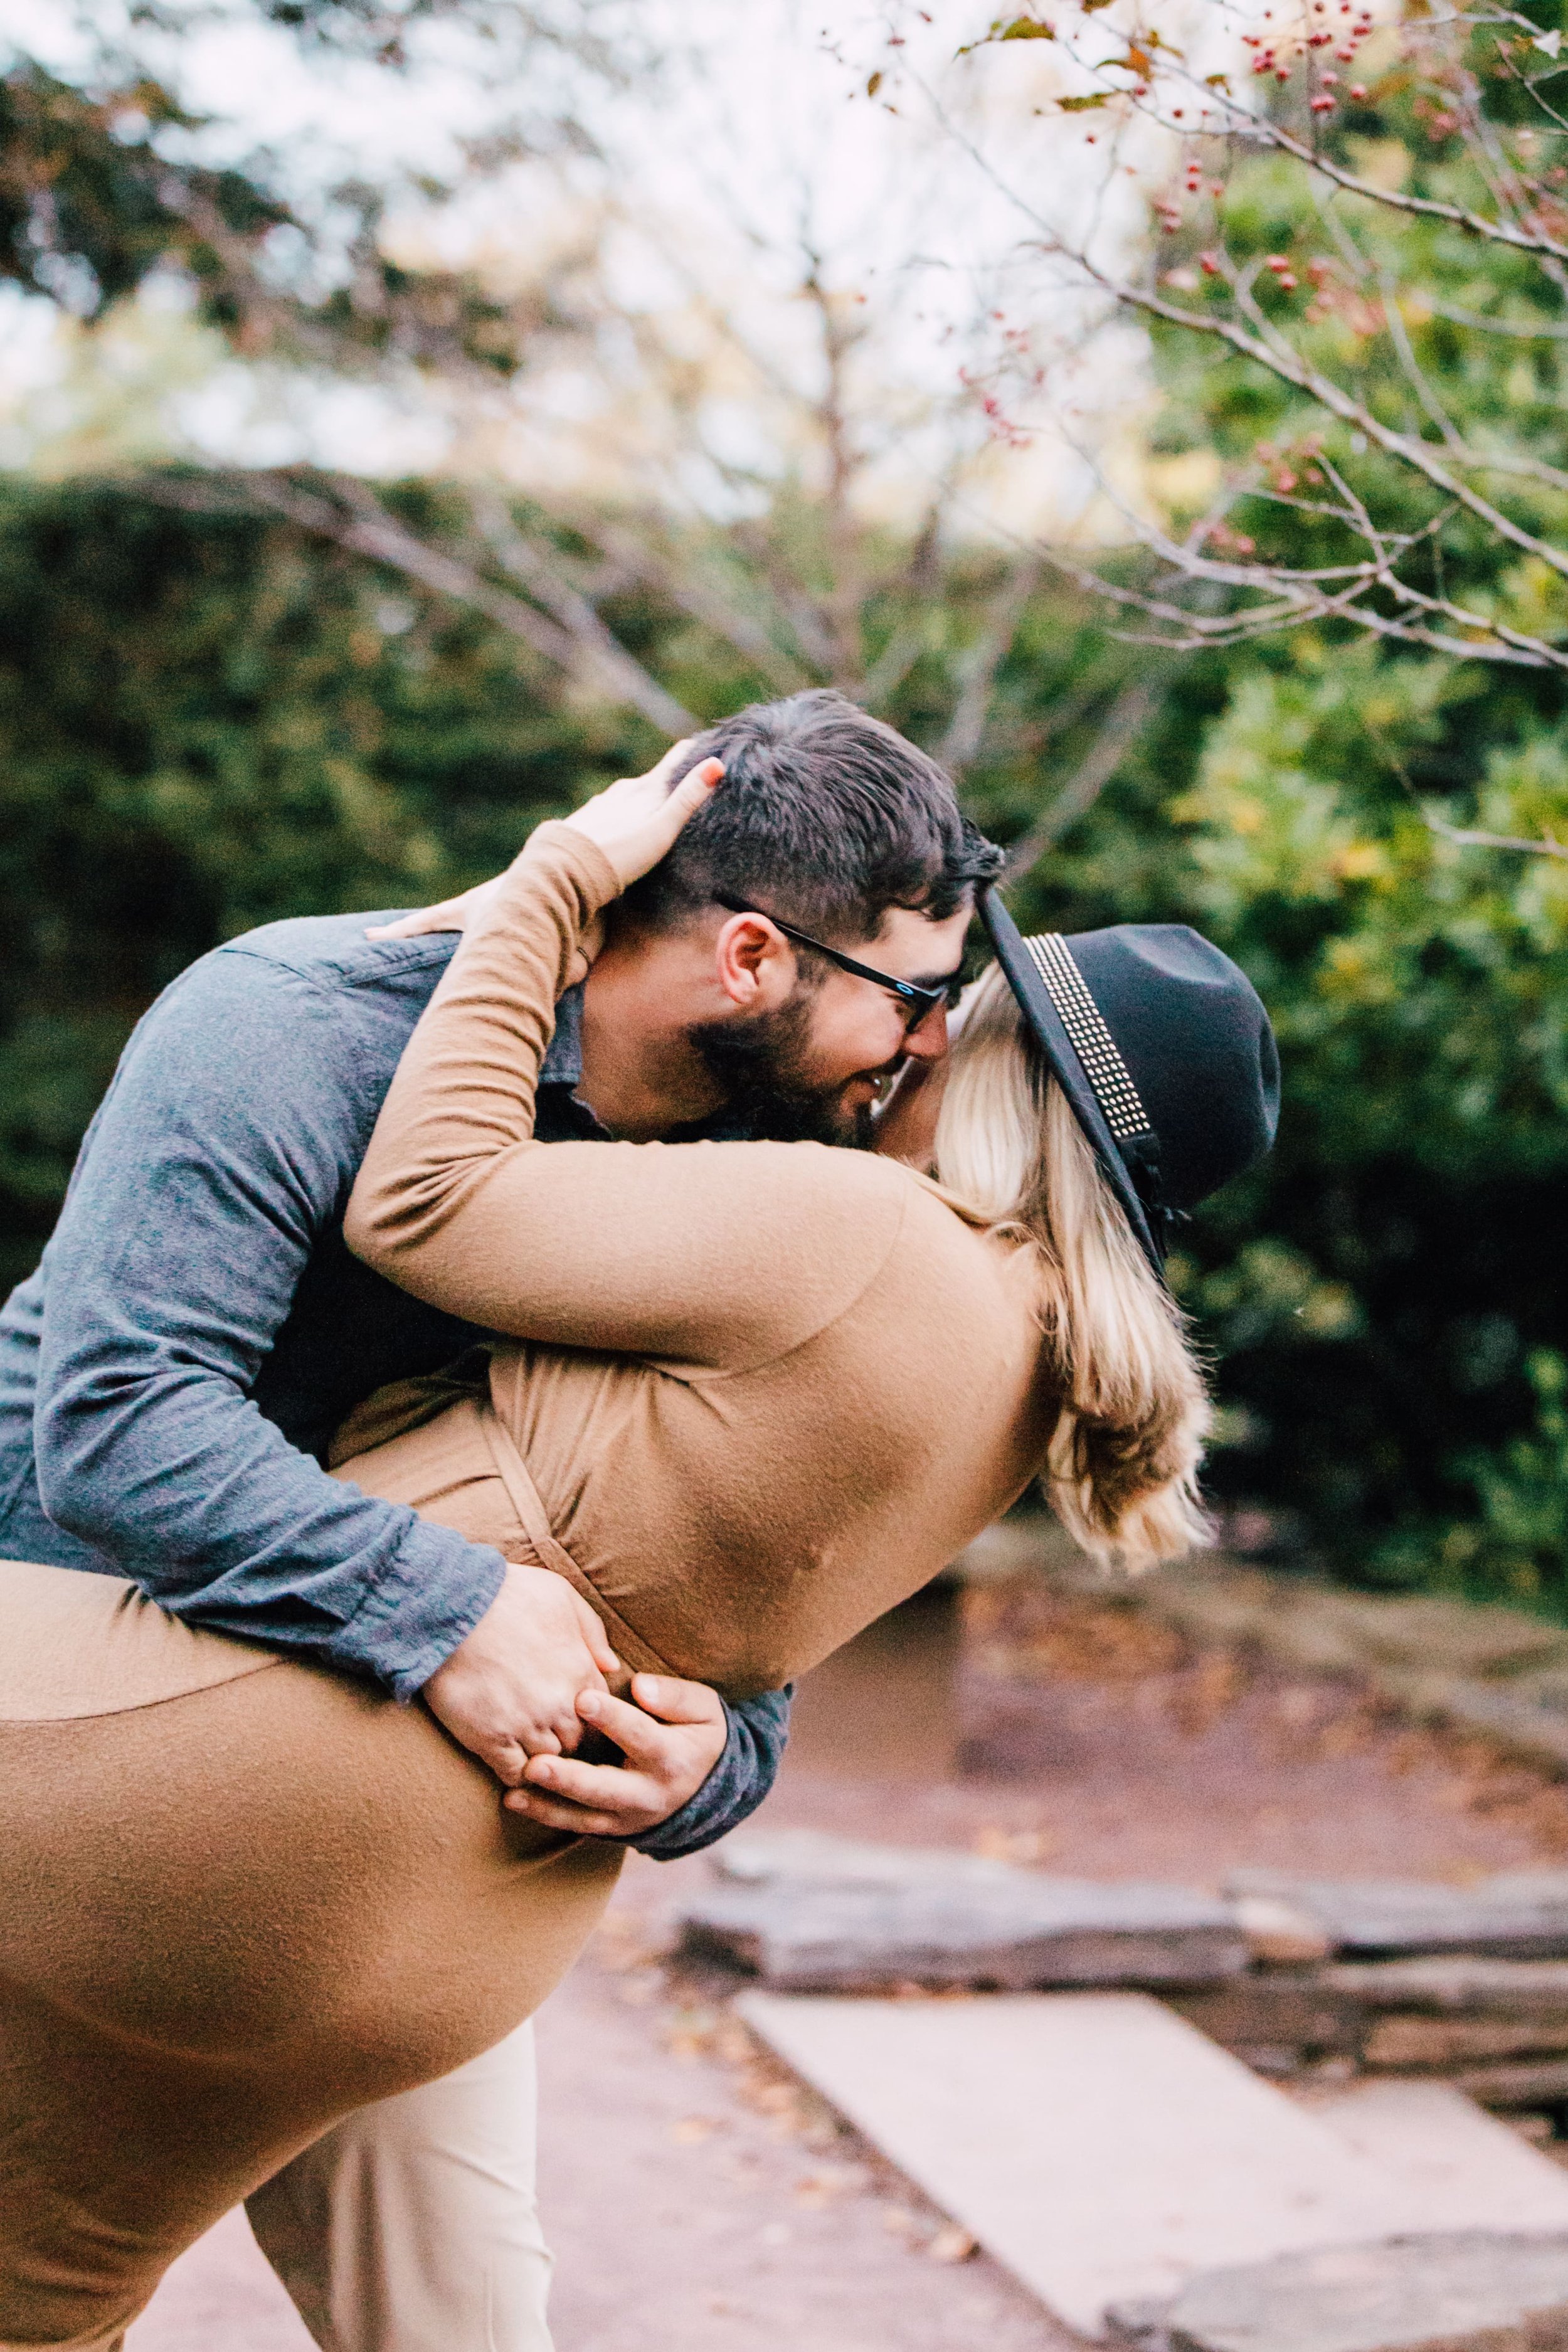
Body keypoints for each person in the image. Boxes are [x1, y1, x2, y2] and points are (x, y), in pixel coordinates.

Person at [0, 737, 1278, 2352]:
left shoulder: (787, 1175)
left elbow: (728, 1586)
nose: (913, 1045)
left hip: (349, 1804)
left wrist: (707, 1765)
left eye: (945, 1015)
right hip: (119, 1664)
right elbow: (116, 1427)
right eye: (911, 996)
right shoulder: (298, 1018)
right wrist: (449, 1611)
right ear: (756, 955)